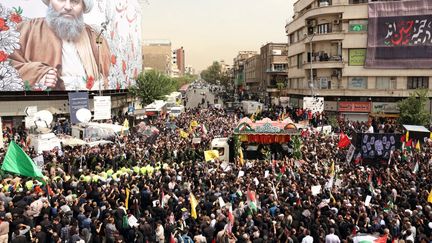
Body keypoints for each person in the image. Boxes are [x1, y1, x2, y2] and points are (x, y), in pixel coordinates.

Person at [9, 0, 111, 91]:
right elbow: (8, 65)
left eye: (75, 1)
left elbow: (106, 76)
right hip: (46, 106)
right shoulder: (29, 29)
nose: (67, 7)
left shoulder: (94, 36)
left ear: (83, 6)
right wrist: (38, 73)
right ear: (50, 2)